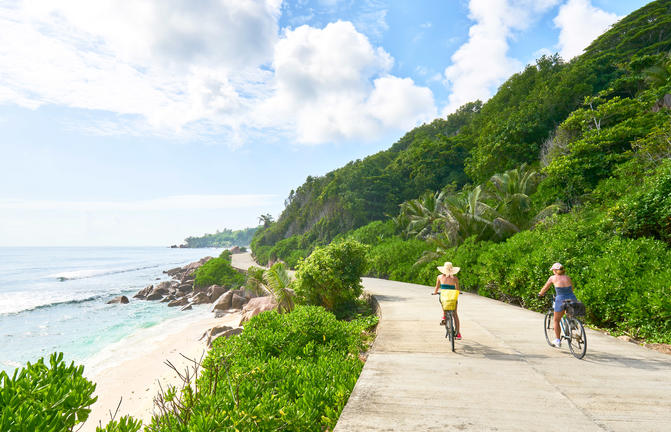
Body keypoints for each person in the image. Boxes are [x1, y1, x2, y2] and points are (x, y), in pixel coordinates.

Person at [538, 262, 579, 347]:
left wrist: (540, 294)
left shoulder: (552, 278)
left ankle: (557, 340)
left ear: (555, 270)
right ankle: (572, 325)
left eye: (553, 270)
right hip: (572, 298)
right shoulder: (567, 277)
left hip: (560, 299)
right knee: (569, 315)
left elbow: (545, 288)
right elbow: (572, 288)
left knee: (556, 320)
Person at [433, 261, 461, 340]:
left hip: (444, 296)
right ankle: (458, 333)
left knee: (442, 301)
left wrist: (435, 292)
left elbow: (437, 287)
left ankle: (444, 316)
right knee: (455, 314)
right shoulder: (455, 278)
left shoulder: (439, 277)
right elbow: (457, 289)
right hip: (452, 297)